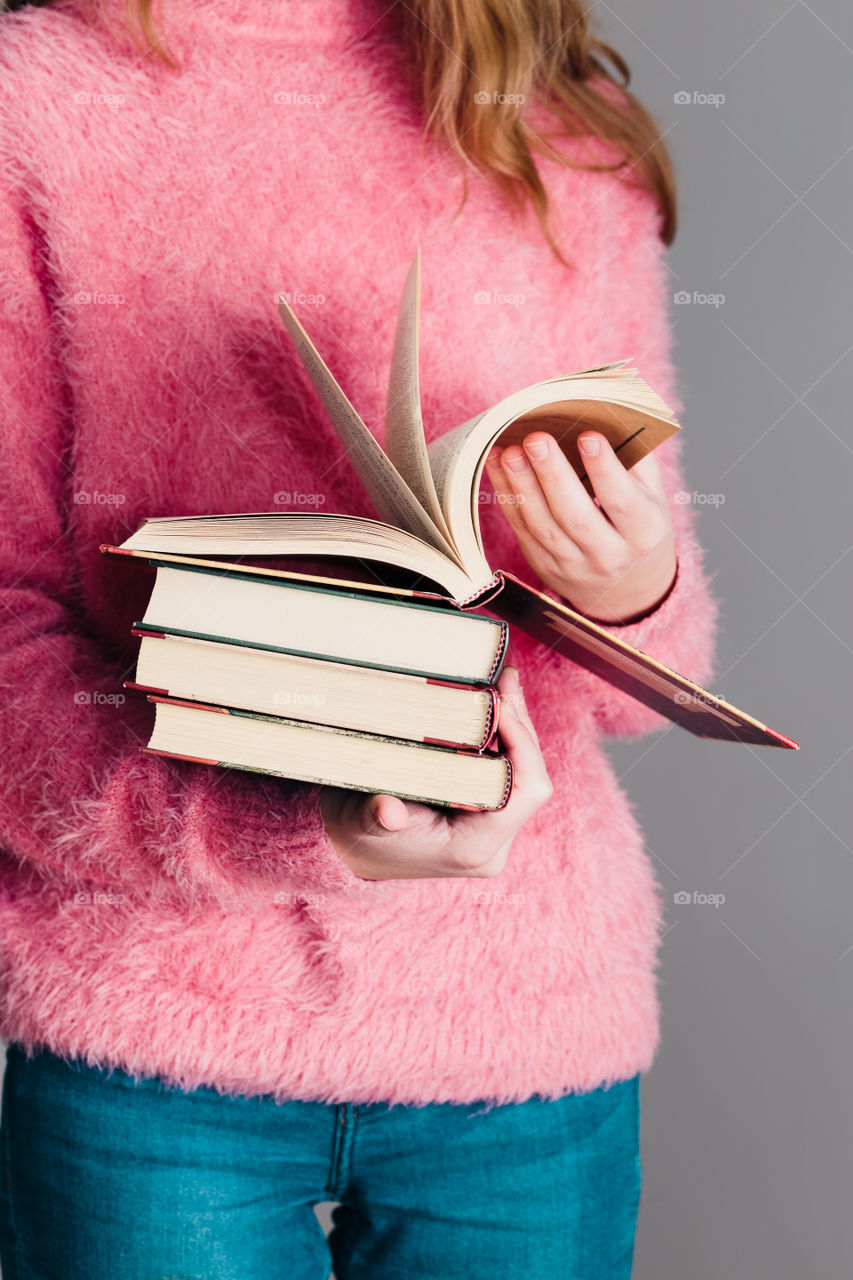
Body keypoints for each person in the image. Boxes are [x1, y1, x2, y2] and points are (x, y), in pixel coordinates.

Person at [0, 0, 719, 1275]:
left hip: (524, 1045)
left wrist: (632, 580)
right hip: (151, 1054)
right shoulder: (32, 103)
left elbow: (654, 677)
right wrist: (287, 826)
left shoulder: (553, 127)